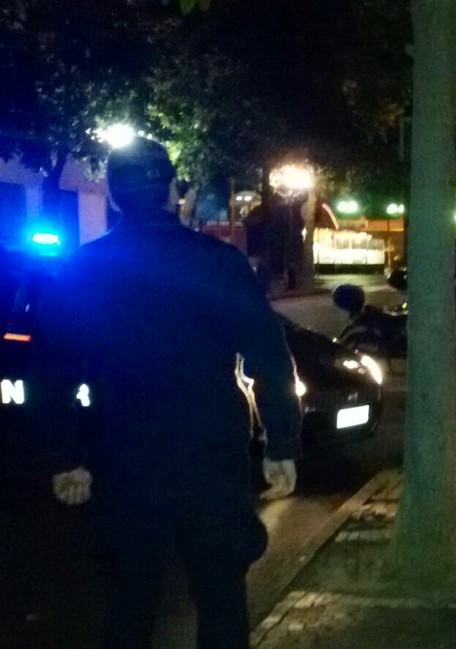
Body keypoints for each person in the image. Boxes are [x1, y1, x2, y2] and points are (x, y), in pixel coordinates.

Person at [33, 138, 303, 648]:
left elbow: (52, 373)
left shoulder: (83, 269)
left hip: (123, 458)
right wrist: (281, 444)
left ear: (113, 196)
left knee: (129, 599)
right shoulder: (219, 263)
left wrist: (66, 456)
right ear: (174, 190)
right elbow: (269, 355)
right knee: (221, 601)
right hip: (211, 459)